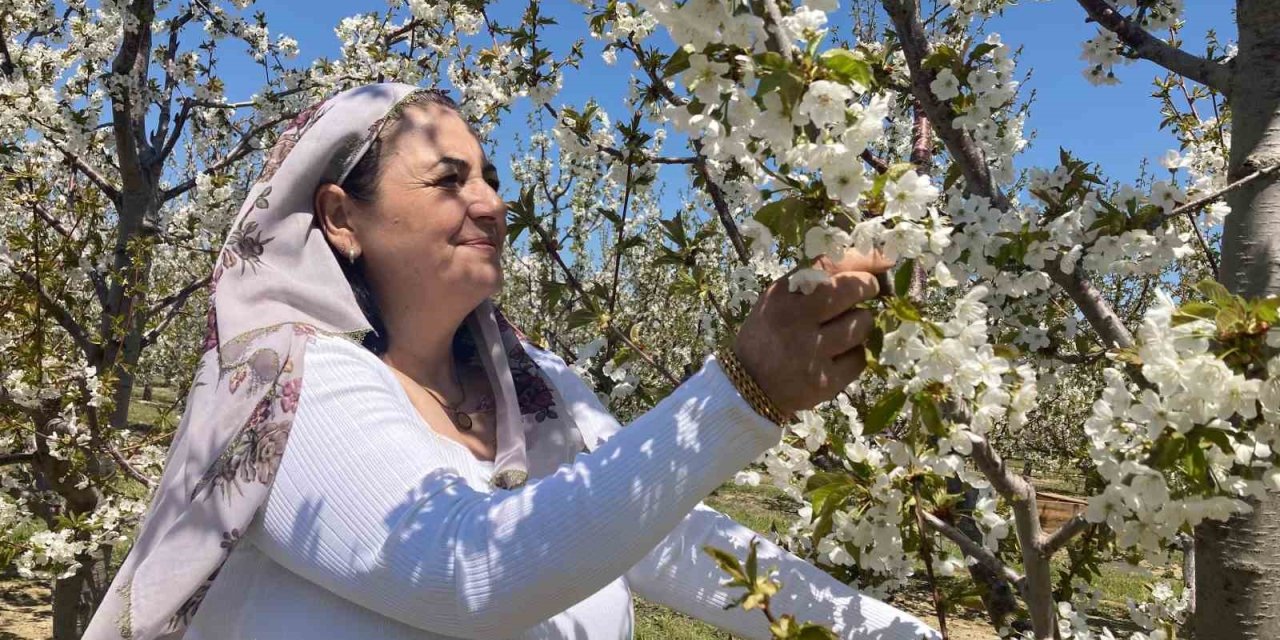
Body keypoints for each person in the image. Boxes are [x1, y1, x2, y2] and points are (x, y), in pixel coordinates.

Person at [84, 83, 939, 640]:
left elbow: (663, 537)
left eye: (489, 176)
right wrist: (742, 393)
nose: (490, 203)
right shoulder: (284, 383)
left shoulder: (537, 385)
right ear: (341, 216)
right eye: (448, 180)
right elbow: (470, 571)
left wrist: (892, 634)